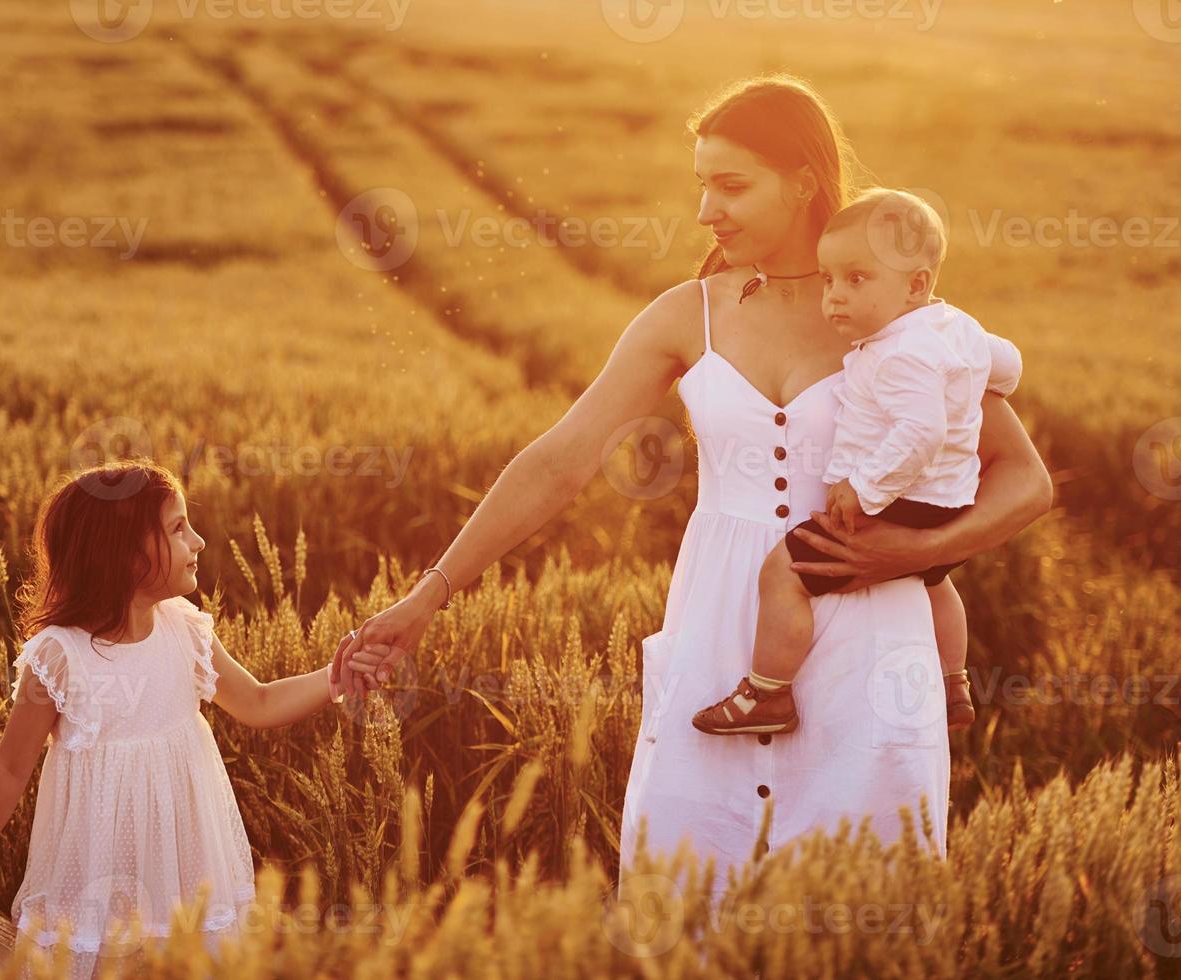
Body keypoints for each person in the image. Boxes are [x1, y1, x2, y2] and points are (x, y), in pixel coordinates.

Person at [330, 75, 1051, 907]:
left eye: (732, 184)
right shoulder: (687, 315)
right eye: (701, 183)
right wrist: (428, 597)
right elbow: (561, 458)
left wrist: (918, 552)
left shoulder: (898, 320)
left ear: (806, 181)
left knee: (859, 910)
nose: (707, 208)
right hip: (720, 640)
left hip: (872, 650)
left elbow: (1024, 481)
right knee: (687, 901)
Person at [0, 460, 347, 977]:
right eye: (178, 528)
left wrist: (336, 677)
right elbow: (10, 767)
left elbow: (257, 702)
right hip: (98, 866)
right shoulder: (60, 657)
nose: (200, 541)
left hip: (186, 860)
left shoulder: (185, 632)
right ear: (123, 557)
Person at [690, 187, 1023, 737]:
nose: (835, 298)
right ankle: (953, 681)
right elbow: (1003, 364)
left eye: (857, 280)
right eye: (829, 280)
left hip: (898, 503)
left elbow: (920, 431)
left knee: (784, 573)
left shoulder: (899, 353)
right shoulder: (955, 329)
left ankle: (767, 693)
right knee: (936, 582)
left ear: (916, 285)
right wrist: (991, 382)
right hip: (948, 501)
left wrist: (863, 490)